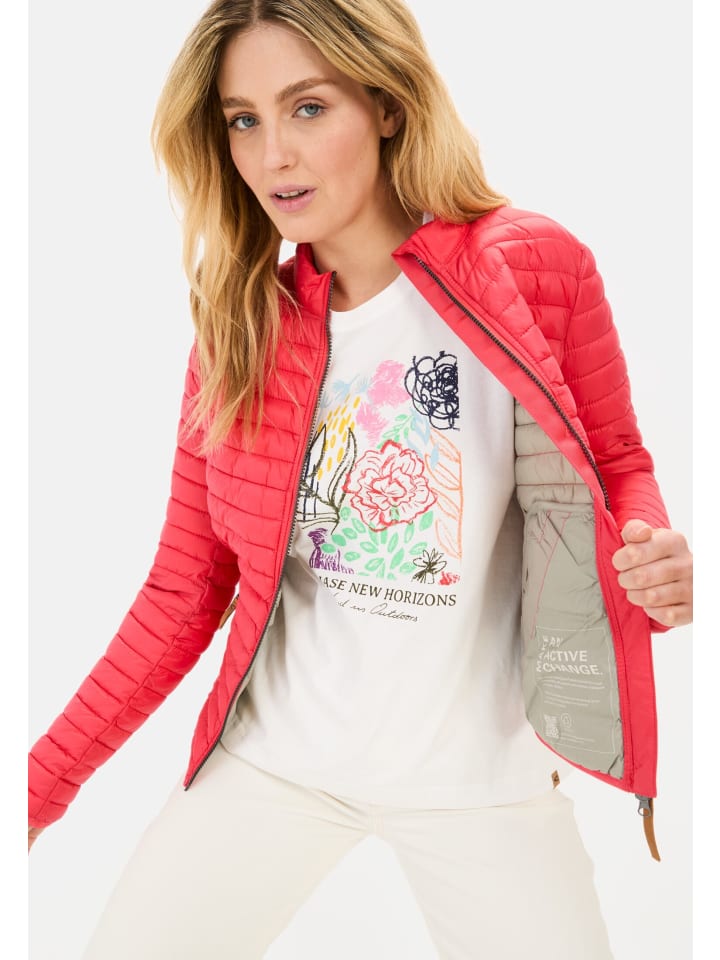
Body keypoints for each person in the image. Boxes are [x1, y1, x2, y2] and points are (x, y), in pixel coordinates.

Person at [28, 1, 693, 957]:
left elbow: (618, 462)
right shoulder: (242, 327)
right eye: (244, 119)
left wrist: (649, 555)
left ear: (386, 104)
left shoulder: (533, 267)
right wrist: (36, 787)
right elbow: (184, 588)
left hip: (477, 779)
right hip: (275, 763)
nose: (273, 155)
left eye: (308, 107)